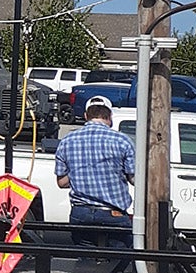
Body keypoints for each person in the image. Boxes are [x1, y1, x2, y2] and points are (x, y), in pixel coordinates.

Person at [52, 94, 135, 264]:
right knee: (121, 260)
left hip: (80, 212)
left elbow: (61, 182)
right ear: (110, 116)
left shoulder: (67, 141)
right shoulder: (122, 141)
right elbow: (134, 179)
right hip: (113, 213)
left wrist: (79, 172)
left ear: (85, 116)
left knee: (85, 262)